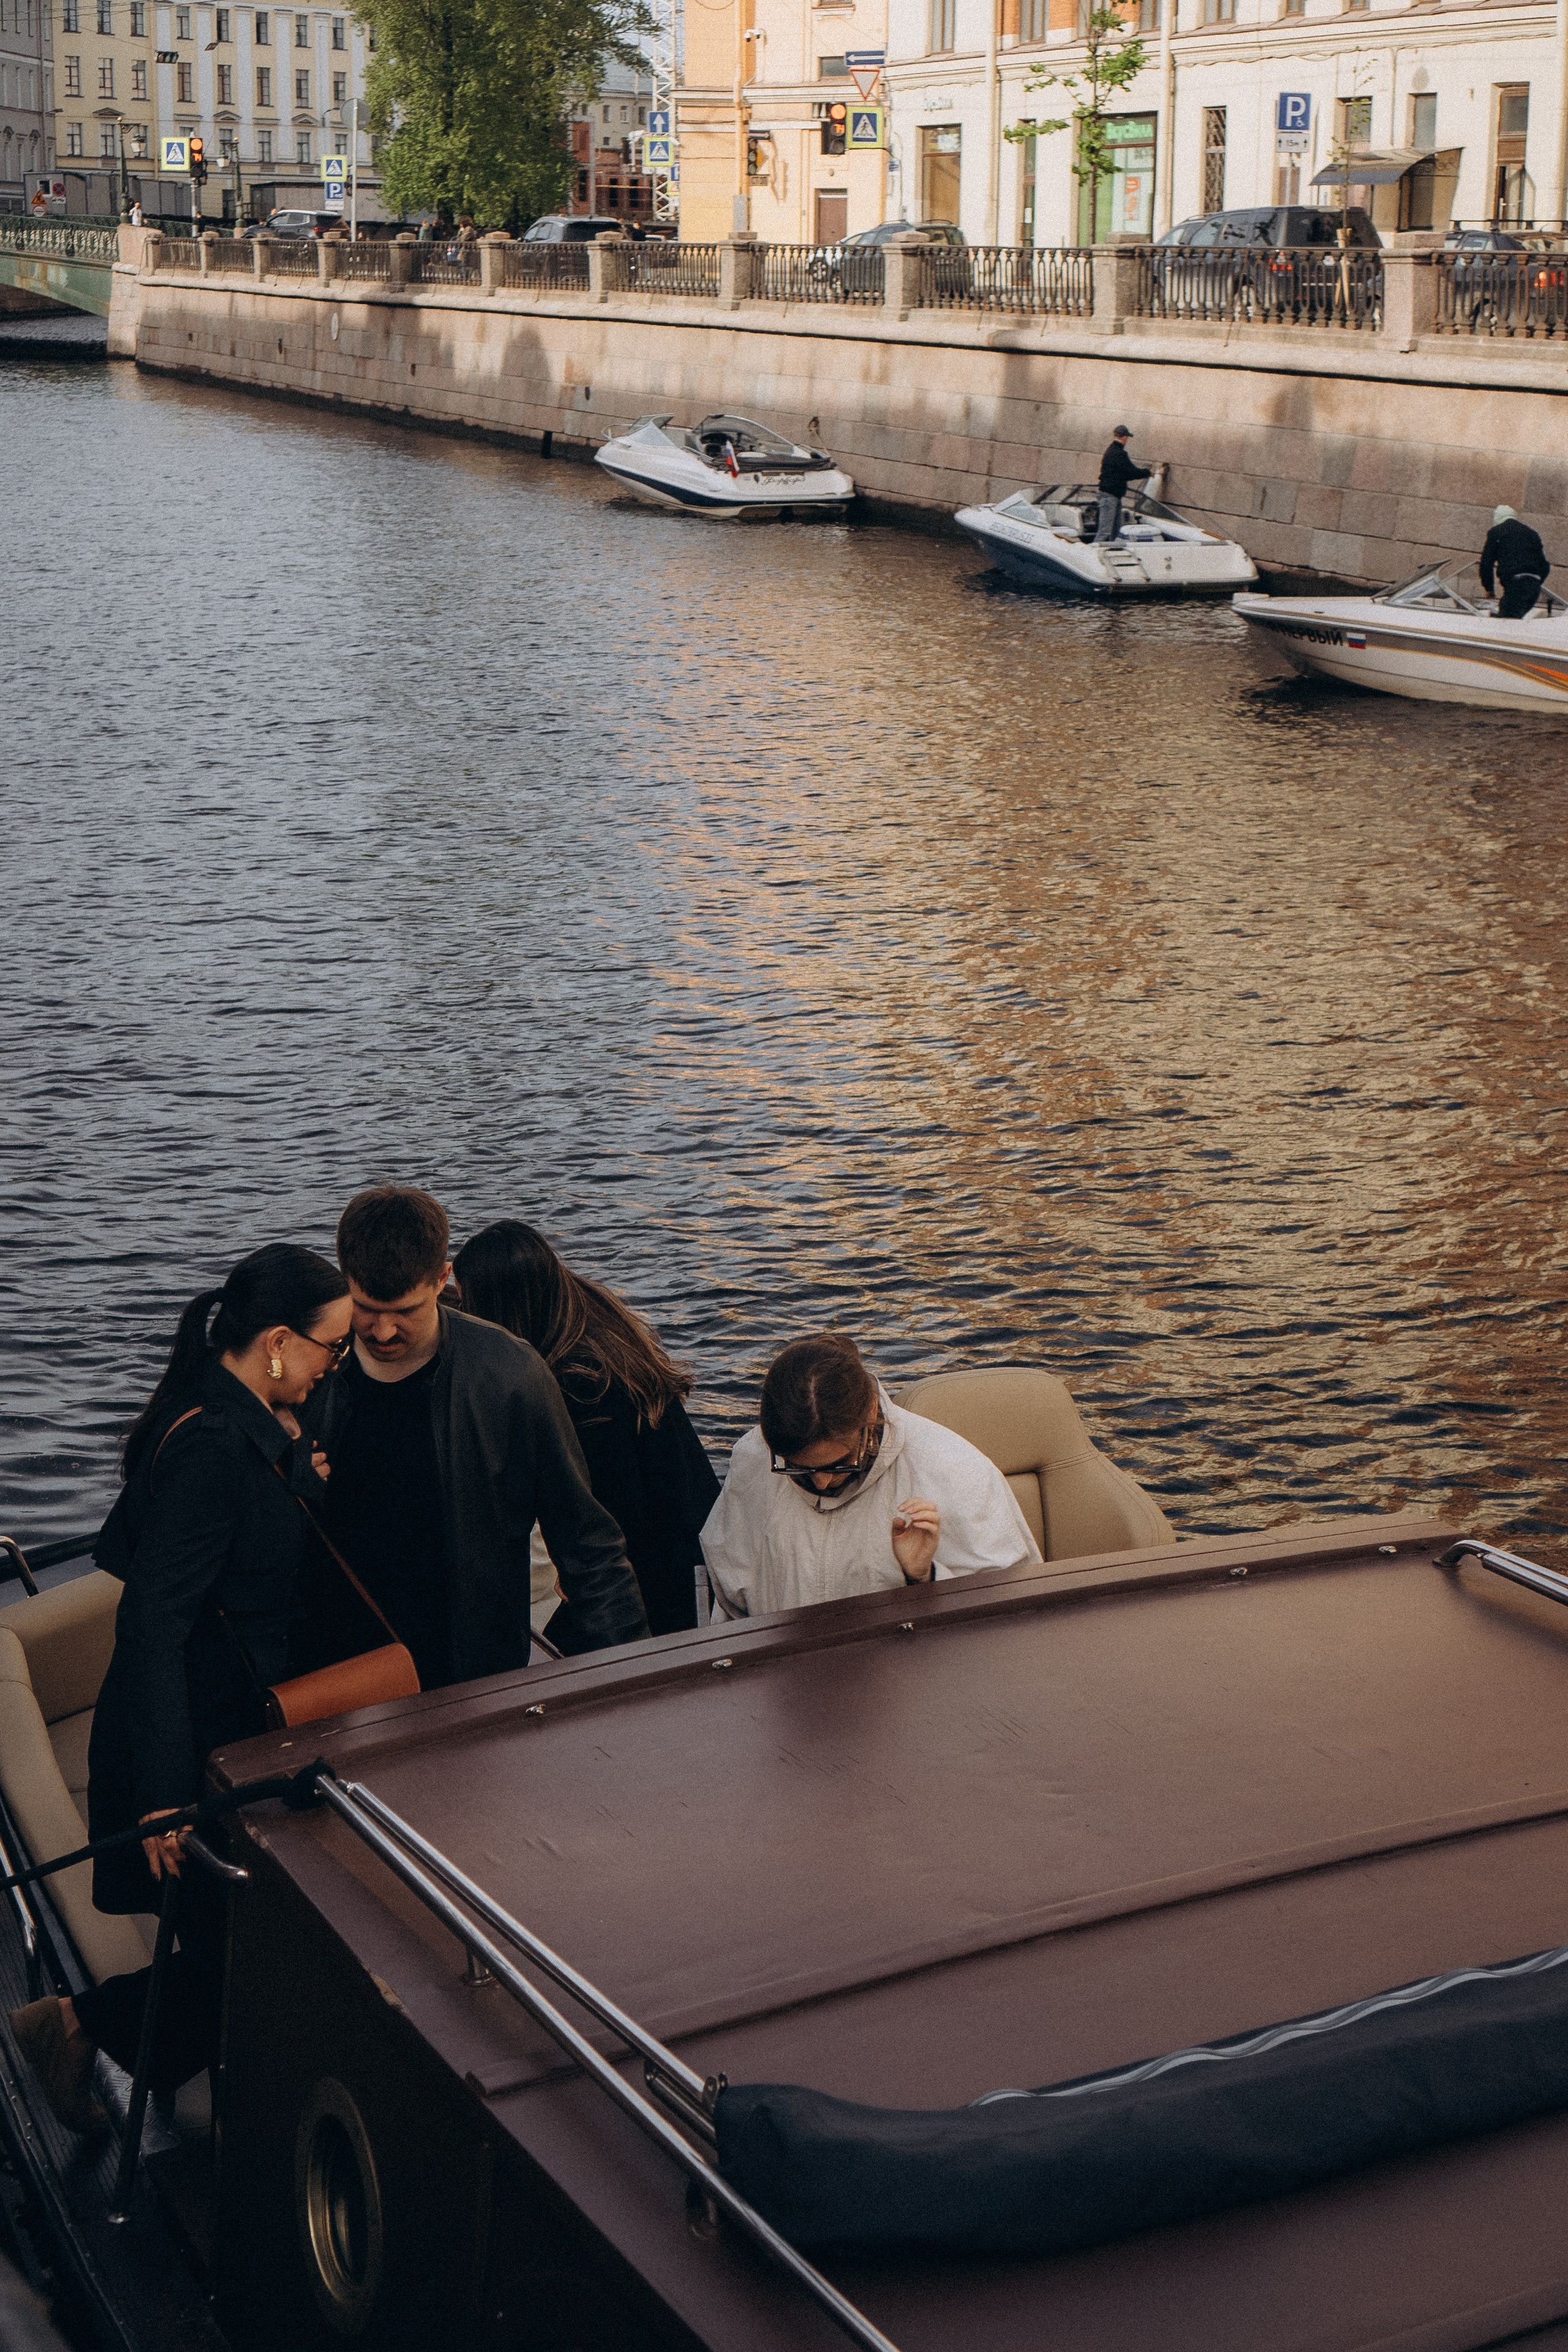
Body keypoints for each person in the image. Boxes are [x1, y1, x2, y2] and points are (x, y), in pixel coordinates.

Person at [9, 1245, 352, 2135]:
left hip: (219, 1724)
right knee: (254, 1944)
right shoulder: (212, 1450)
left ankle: (101, 2038)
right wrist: (164, 1801)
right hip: (191, 1742)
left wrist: (292, 1478)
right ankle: (79, 2026)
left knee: (237, 1936)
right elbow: (152, 1624)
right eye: (330, 1349)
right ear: (278, 1342)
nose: (334, 1368)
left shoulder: (219, 1411)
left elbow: (128, 1545)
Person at [301, 1187, 649, 1690]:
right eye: (366, 1309)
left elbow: (588, 1547)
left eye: (405, 1310)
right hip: (339, 1669)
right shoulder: (309, 1375)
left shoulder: (510, 1374)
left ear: (444, 1279)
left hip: (470, 1674)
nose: (381, 1331)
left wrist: (632, 1680)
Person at [451, 1221, 719, 1638]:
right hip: (691, 1526)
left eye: (470, 1304)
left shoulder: (584, 1391)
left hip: (665, 1560)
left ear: (498, 1308)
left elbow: (610, 1514)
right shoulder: (585, 1318)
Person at [702, 1334, 1041, 1621]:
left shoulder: (954, 1469)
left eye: (837, 1465)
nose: (820, 1483)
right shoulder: (752, 1459)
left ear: (870, 1414)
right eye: (798, 1467)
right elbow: (729, 1608)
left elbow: (1010, 1618)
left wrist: (924, 1579)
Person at [1479, 504, 1550, 619]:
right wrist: (1535, 581)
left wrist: (1489, 589)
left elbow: (1486, 564)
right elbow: (1545, 566)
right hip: (1534, 585)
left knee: (1506, 622)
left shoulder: (1496, 532)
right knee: (1515, 618)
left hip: (1515, 583)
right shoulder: (1532, 534)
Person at [1096, 425, 1152, 546]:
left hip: (1113, 496)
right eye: (1127, 437)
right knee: (1105, 532)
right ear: (1125, 437)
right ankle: (1092, 554)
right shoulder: (1119, 454)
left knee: (1115, 531)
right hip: (1110, 496)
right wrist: (1147, 473)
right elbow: (1130, 473)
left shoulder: (1111, 451)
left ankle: (1110, 550)